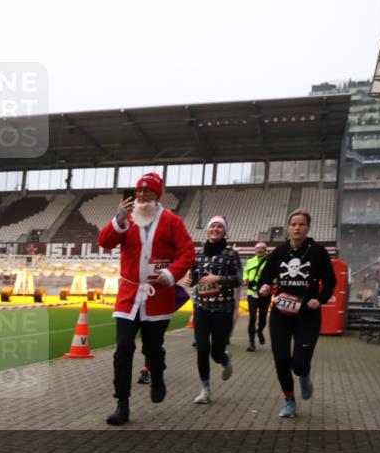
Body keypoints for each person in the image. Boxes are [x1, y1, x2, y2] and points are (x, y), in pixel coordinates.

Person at [98, 172, 195, 425]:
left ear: (157, 195)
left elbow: (187, 252)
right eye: (139, 192)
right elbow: (105, 241)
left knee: (151, 347)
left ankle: (158, 374)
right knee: (123, 348)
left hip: (157, 296)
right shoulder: (126, 219)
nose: (141, 196)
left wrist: (171, 274)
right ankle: (122, 403)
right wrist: (117, 218)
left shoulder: (172, 221)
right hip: (129, 296)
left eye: (147, 192)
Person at [258, 209, 336, 418]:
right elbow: (265, 276)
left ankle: (304, 375)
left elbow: (330, 281)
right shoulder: (279, 252)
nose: (297, 228)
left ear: (308, 227)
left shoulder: (318, 252)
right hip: (281, 313)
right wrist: (264, 287)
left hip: (307, 315)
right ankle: (290, 401)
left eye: (301, 224)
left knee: (299, 363)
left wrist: (319, 299)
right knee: (281, 359)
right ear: (288, 227)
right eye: (293, 224)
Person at [180, 216, 241, 404]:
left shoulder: (231, 254)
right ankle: (205, 389)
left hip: (223, 310)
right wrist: (189, 281)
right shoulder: (198, 254)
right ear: (208, 230)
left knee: (215, 352)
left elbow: (238, 280)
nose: (215, 229)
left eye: (219, 227)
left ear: (225, 231)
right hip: (201, 309)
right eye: (212, 226)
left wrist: (219, 279)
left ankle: (224, 359)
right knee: (202, 349)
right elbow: (195, 277)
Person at [243, 242, 271, 351]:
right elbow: (246, 272)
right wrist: (245, 278)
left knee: (263, 317)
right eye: (257, 248)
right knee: (252, 318)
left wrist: (269, 284)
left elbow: (274, 276)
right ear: (255, 250)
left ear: (265, 250)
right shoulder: (250, 261)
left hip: (265, 293)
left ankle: (259, 331)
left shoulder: (269, 261)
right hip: (252, 292)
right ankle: (251, 343)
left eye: (261, 248)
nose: (259, 250)